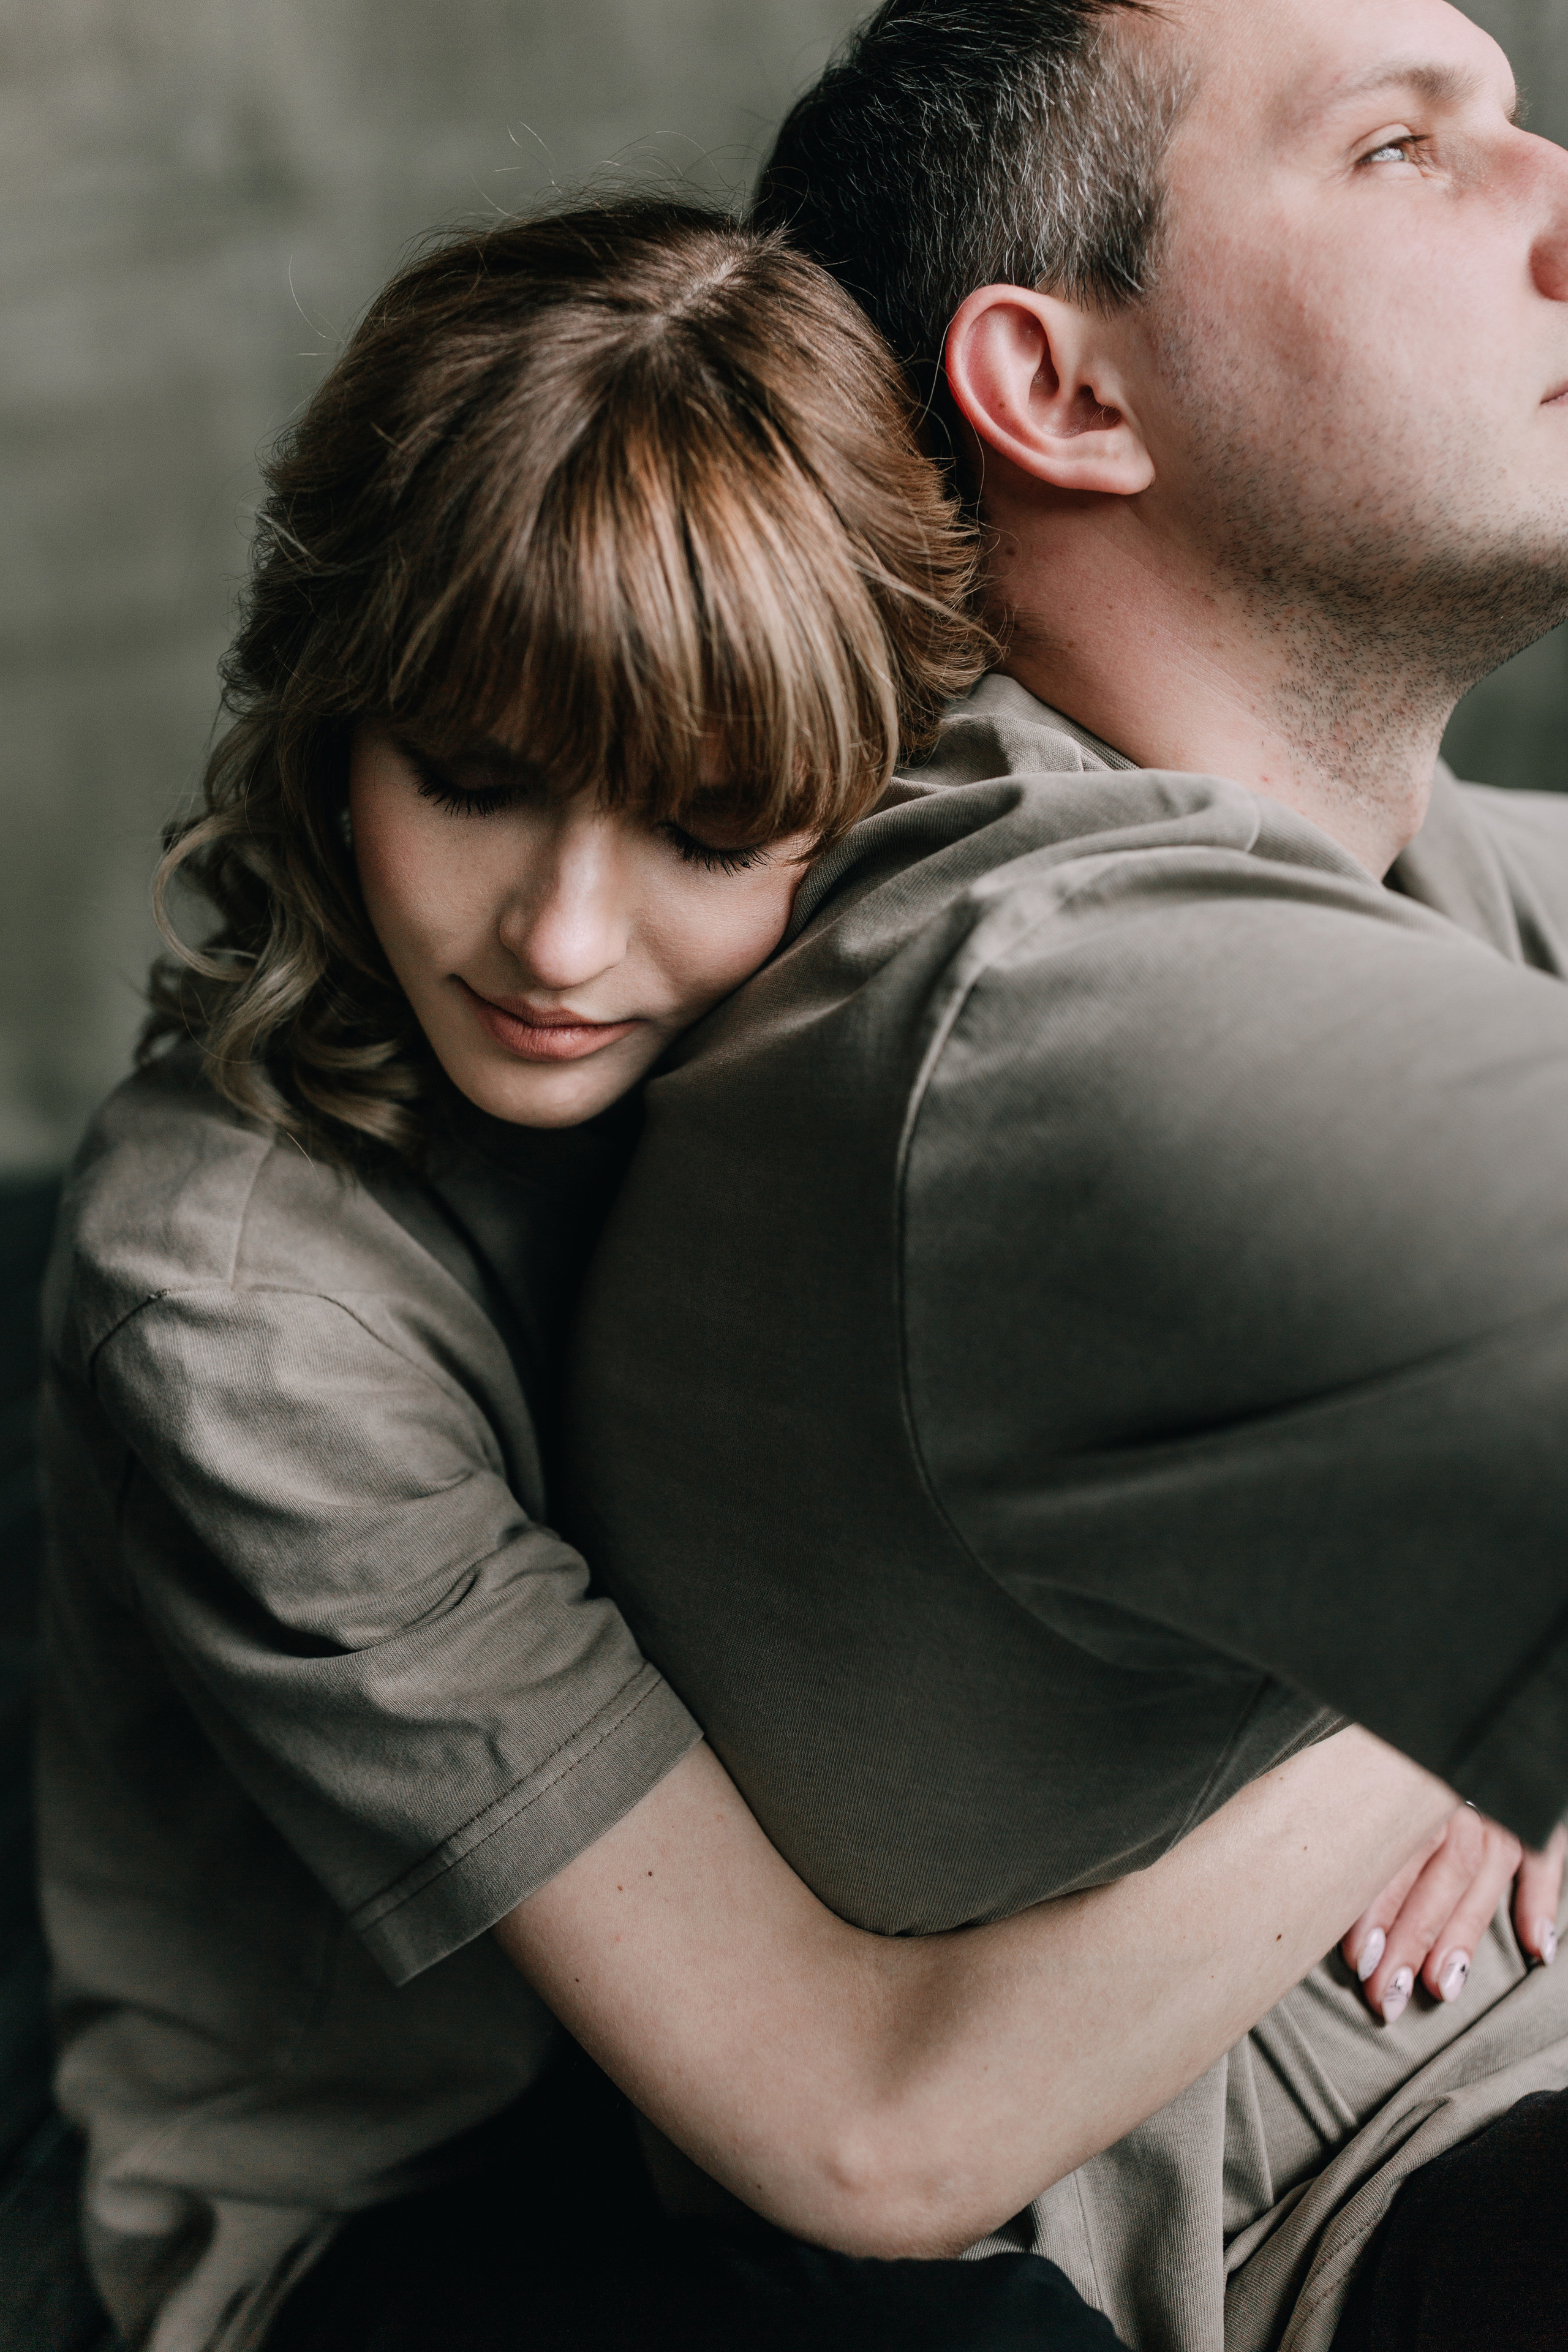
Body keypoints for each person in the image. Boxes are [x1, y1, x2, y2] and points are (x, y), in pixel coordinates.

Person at [36, 193, 1491, 2352]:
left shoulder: (950, 915)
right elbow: (863, 2143)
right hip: (433, 2196)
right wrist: (1460, 1712)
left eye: (709, 829)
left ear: (860, 780)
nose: (557, 936)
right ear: (330, 726)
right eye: (472, 780)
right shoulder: (235, 1293)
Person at [560, 5, 1568, 2348]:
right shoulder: (1039, 1006)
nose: (1558, 213)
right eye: (1406, 152)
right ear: (1067, 394)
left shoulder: (1383, 861)